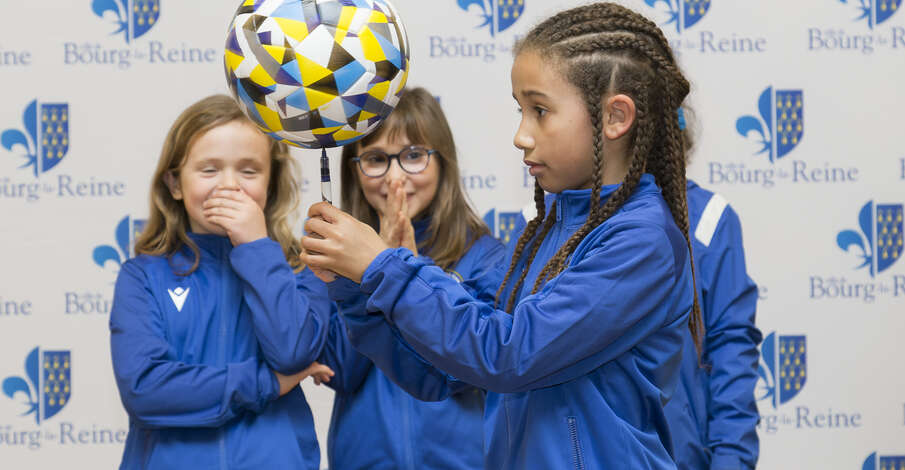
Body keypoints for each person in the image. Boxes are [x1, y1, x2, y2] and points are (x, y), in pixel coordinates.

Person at [300, 3, 704, 469]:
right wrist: (355, 286)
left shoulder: (641, 242)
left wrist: (382, 266)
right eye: (520, 110)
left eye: (540, 111)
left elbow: (509, 355)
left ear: (615, 117)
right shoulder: (547, 233)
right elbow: (436, 373)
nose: (521, 135)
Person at [109, 94, 329, 469]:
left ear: (271, 183)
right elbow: (145, 390)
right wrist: (267, 383)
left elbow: (293, 353)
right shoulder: (142, 276)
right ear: (175, 183)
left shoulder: (300, 270)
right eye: (209, 170)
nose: (229, 186)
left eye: (249, 171)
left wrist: (256, 246)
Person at [313, 87, 504, 470]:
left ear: (442, 162)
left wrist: (404, 274)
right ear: (354, 169)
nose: (395, 177)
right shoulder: (333, 258)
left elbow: (472, 369)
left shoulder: (485, 257)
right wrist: (367, 269)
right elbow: (341, 372)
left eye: (413, 156)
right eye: (376, 159)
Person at [662, 109, 763, 470]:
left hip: (680, 457)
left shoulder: (708, 219)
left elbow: (731, 348)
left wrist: (731, 460)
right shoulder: (543, 221)